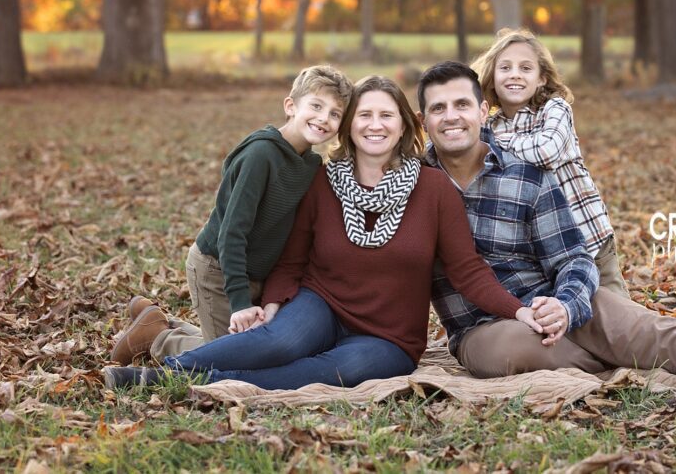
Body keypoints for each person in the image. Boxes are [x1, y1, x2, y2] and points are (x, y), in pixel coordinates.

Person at [416, 61, 676, 400]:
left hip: (553, 299)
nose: (451, 117)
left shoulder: (525, 176)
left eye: (461, 105)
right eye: (438, 109)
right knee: (519, 348)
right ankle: (627, 367)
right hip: (482, 328)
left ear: (482, 111)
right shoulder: (413, 187)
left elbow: (573, 258)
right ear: (423, 121)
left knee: (645, 328)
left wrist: (565, 306)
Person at [103, 76, 540, 390]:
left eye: (386, 115)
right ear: (349, 126)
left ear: (405, 126)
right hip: (323, 302)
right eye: (364, 115)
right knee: (280, 342)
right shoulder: (324, 180)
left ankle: (189, 378)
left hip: (388, 337)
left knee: (326, 371)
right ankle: (165, 374)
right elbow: (292, 260)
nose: (375, 124)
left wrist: (518, 311)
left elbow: (467, 270)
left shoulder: (433, 190)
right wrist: (273, 304)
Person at [109, 65, 353, 366]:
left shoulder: (310, 166)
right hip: (218, 269)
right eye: (316, 106)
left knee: (254, 345)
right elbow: (232, 233)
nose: (323, 118)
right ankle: (157, 339)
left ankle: (159, 321)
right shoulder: (261, 156)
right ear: (290, 106)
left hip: (258, 275)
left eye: (334, 113)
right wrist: (239, 303)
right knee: (229, 357)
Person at [471, 29, 627, 297]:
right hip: (548, 248)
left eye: (525, 68)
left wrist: (504, 141)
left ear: (542, 78)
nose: (515, 74)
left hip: (589, 238)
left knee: (618, 316)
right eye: (505, 67)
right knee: (571, 319)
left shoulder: (554, 110)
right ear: (493, 78)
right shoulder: (491, 126)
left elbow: (546, 151)